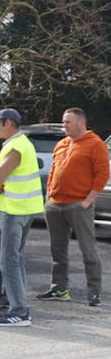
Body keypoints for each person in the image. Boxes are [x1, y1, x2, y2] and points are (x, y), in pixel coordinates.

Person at [0, 108, 45, 326]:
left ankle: (19, 311)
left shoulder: (15, 146)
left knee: (7, 261)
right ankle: (20, 307)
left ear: (8, 123)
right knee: (15, 259)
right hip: (24, 208)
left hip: (13, 209)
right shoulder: (23, 143)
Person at [39, 107, 108, 307]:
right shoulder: (61, 144)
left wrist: (89, 199)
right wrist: (49, 196)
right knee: (57, 250)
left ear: (81, 122)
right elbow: (53, 170)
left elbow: (102, 173)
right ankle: (60, 289)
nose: (64, 126)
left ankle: (94, 293)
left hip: (79, 204)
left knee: (88, 250)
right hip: (55, 204)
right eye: (63, 122)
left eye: (67, 122)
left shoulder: (95, 144)